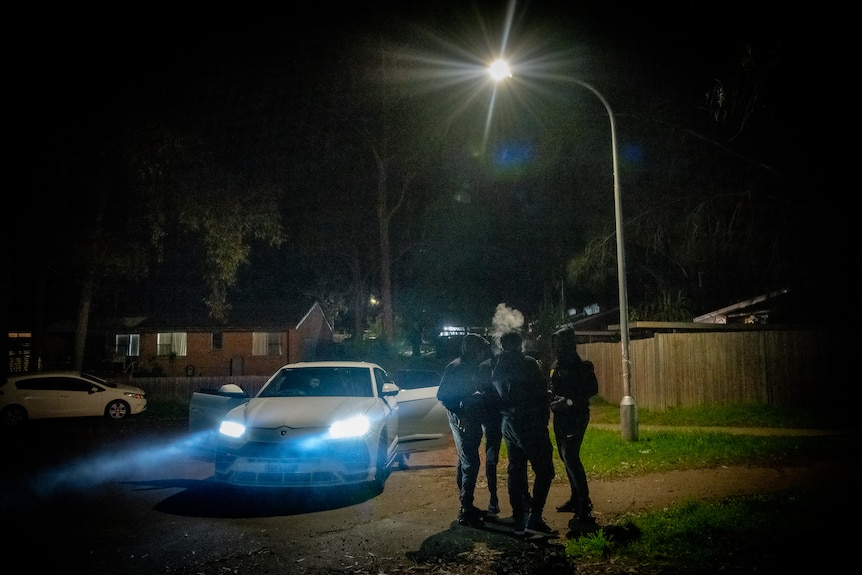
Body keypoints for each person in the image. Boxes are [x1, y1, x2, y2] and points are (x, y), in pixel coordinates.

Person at [491, 330, 558, 536]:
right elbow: (538, 391)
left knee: (516, 469)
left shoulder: (496, 366)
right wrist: (546, 396)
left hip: (508, 423)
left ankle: (519, 517)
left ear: (502, 345)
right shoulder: (527, 363)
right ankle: (535, 518)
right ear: (519, 344)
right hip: (529, 423)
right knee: (545, 471)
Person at [436, 333, 494, 527]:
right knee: (471, 462)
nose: (482, 352)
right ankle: (465, 508)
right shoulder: (457, 367)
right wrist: (460, 410)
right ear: (470, 349)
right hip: (462, 419)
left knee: (465, 460)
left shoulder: (473, 366)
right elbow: (442, 395)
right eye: (479, 349)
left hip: (471, 418)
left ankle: (466, 504)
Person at [549, 326, 598, 524]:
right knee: (564, 457)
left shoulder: (582, 366)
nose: (555, 346)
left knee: (571, 456)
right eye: (554, 343)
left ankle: (584, 504)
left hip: (576, 416)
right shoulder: (556, 364)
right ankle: (575, 498)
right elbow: (553, 386)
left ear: (568, 343)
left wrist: (568, 401)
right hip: (560, 417)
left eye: (558, 342)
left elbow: (592, 390)